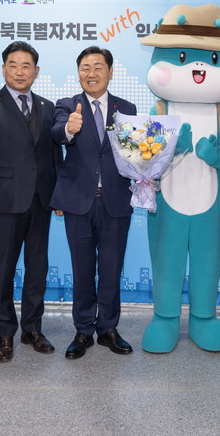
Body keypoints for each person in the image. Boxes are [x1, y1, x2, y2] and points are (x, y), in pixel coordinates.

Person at [0, 41, 63, 362]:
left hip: (41, 199)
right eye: (13, 65)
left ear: (36, 71)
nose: (19, 71)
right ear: (3, 69)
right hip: (6, 198)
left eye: (26, 66)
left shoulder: (48, 107)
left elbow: (54, 153)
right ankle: (5, 333)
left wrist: (58, 194)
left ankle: (32, 328)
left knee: (37, 268)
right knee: (4, 268)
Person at [50, 46, 137, 359]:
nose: (91, 73)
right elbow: (57, 133)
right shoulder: (66, 105)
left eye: (98, 67)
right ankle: (83, 330)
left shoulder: (126, 108)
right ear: (78, 73)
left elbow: (134, 151)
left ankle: (108, 329)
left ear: (110, 72)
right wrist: (69, 129)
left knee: (112, 269)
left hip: (116, 200)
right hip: (78, 202)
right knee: (82, 269)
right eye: (85, 68)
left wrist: (145, 171)